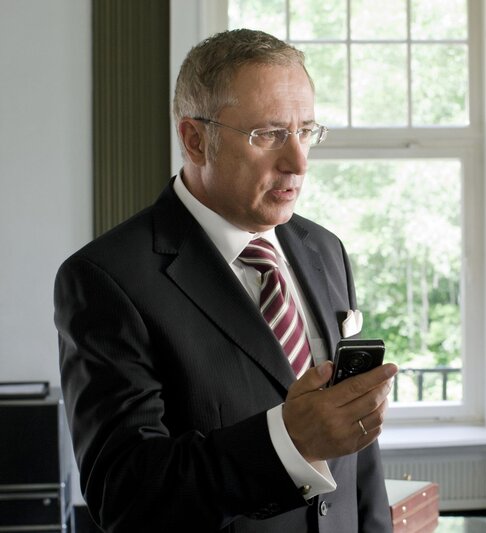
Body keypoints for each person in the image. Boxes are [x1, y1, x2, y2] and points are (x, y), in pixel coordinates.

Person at [54, 29, 397, 532]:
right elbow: (125, 496)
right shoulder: (106, 279)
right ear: (195, 140)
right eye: (268, 134)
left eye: (306, 131)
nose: (298, 162)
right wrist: (287, 442)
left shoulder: (325, 249)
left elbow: (358, 446)